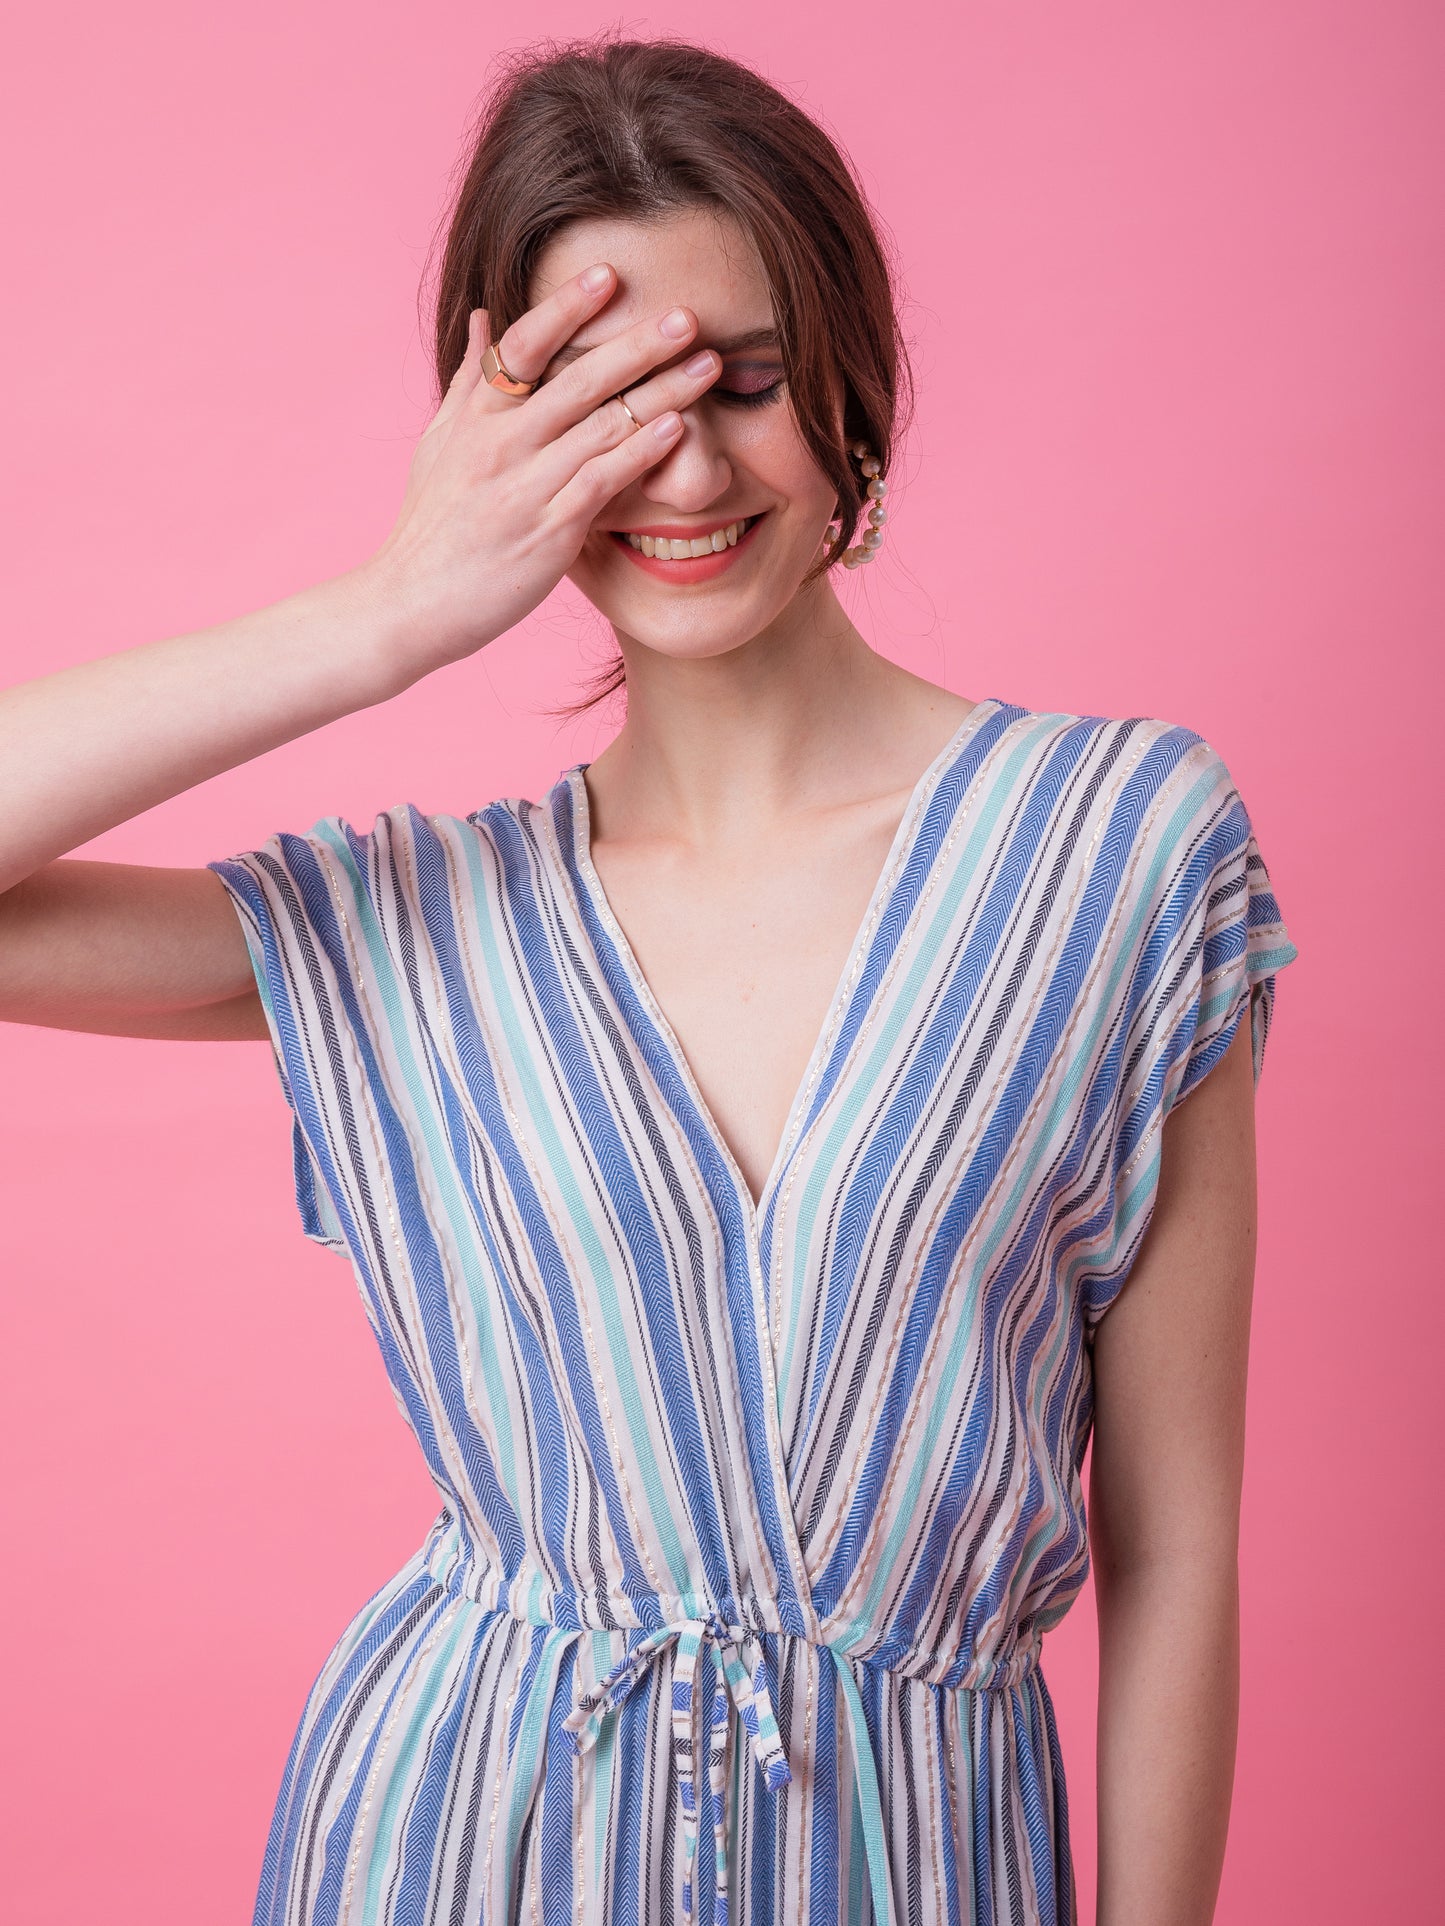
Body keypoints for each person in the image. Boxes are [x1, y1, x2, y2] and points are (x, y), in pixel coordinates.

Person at [0, 33, 1300, 1926]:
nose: (679, 464)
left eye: (744, 382)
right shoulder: (423, 926)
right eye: (595, 400)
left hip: (915, 1860)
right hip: (456, 1851)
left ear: (852, 375)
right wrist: (384, 613)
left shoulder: (1117, 851)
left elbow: (1173, 1546)